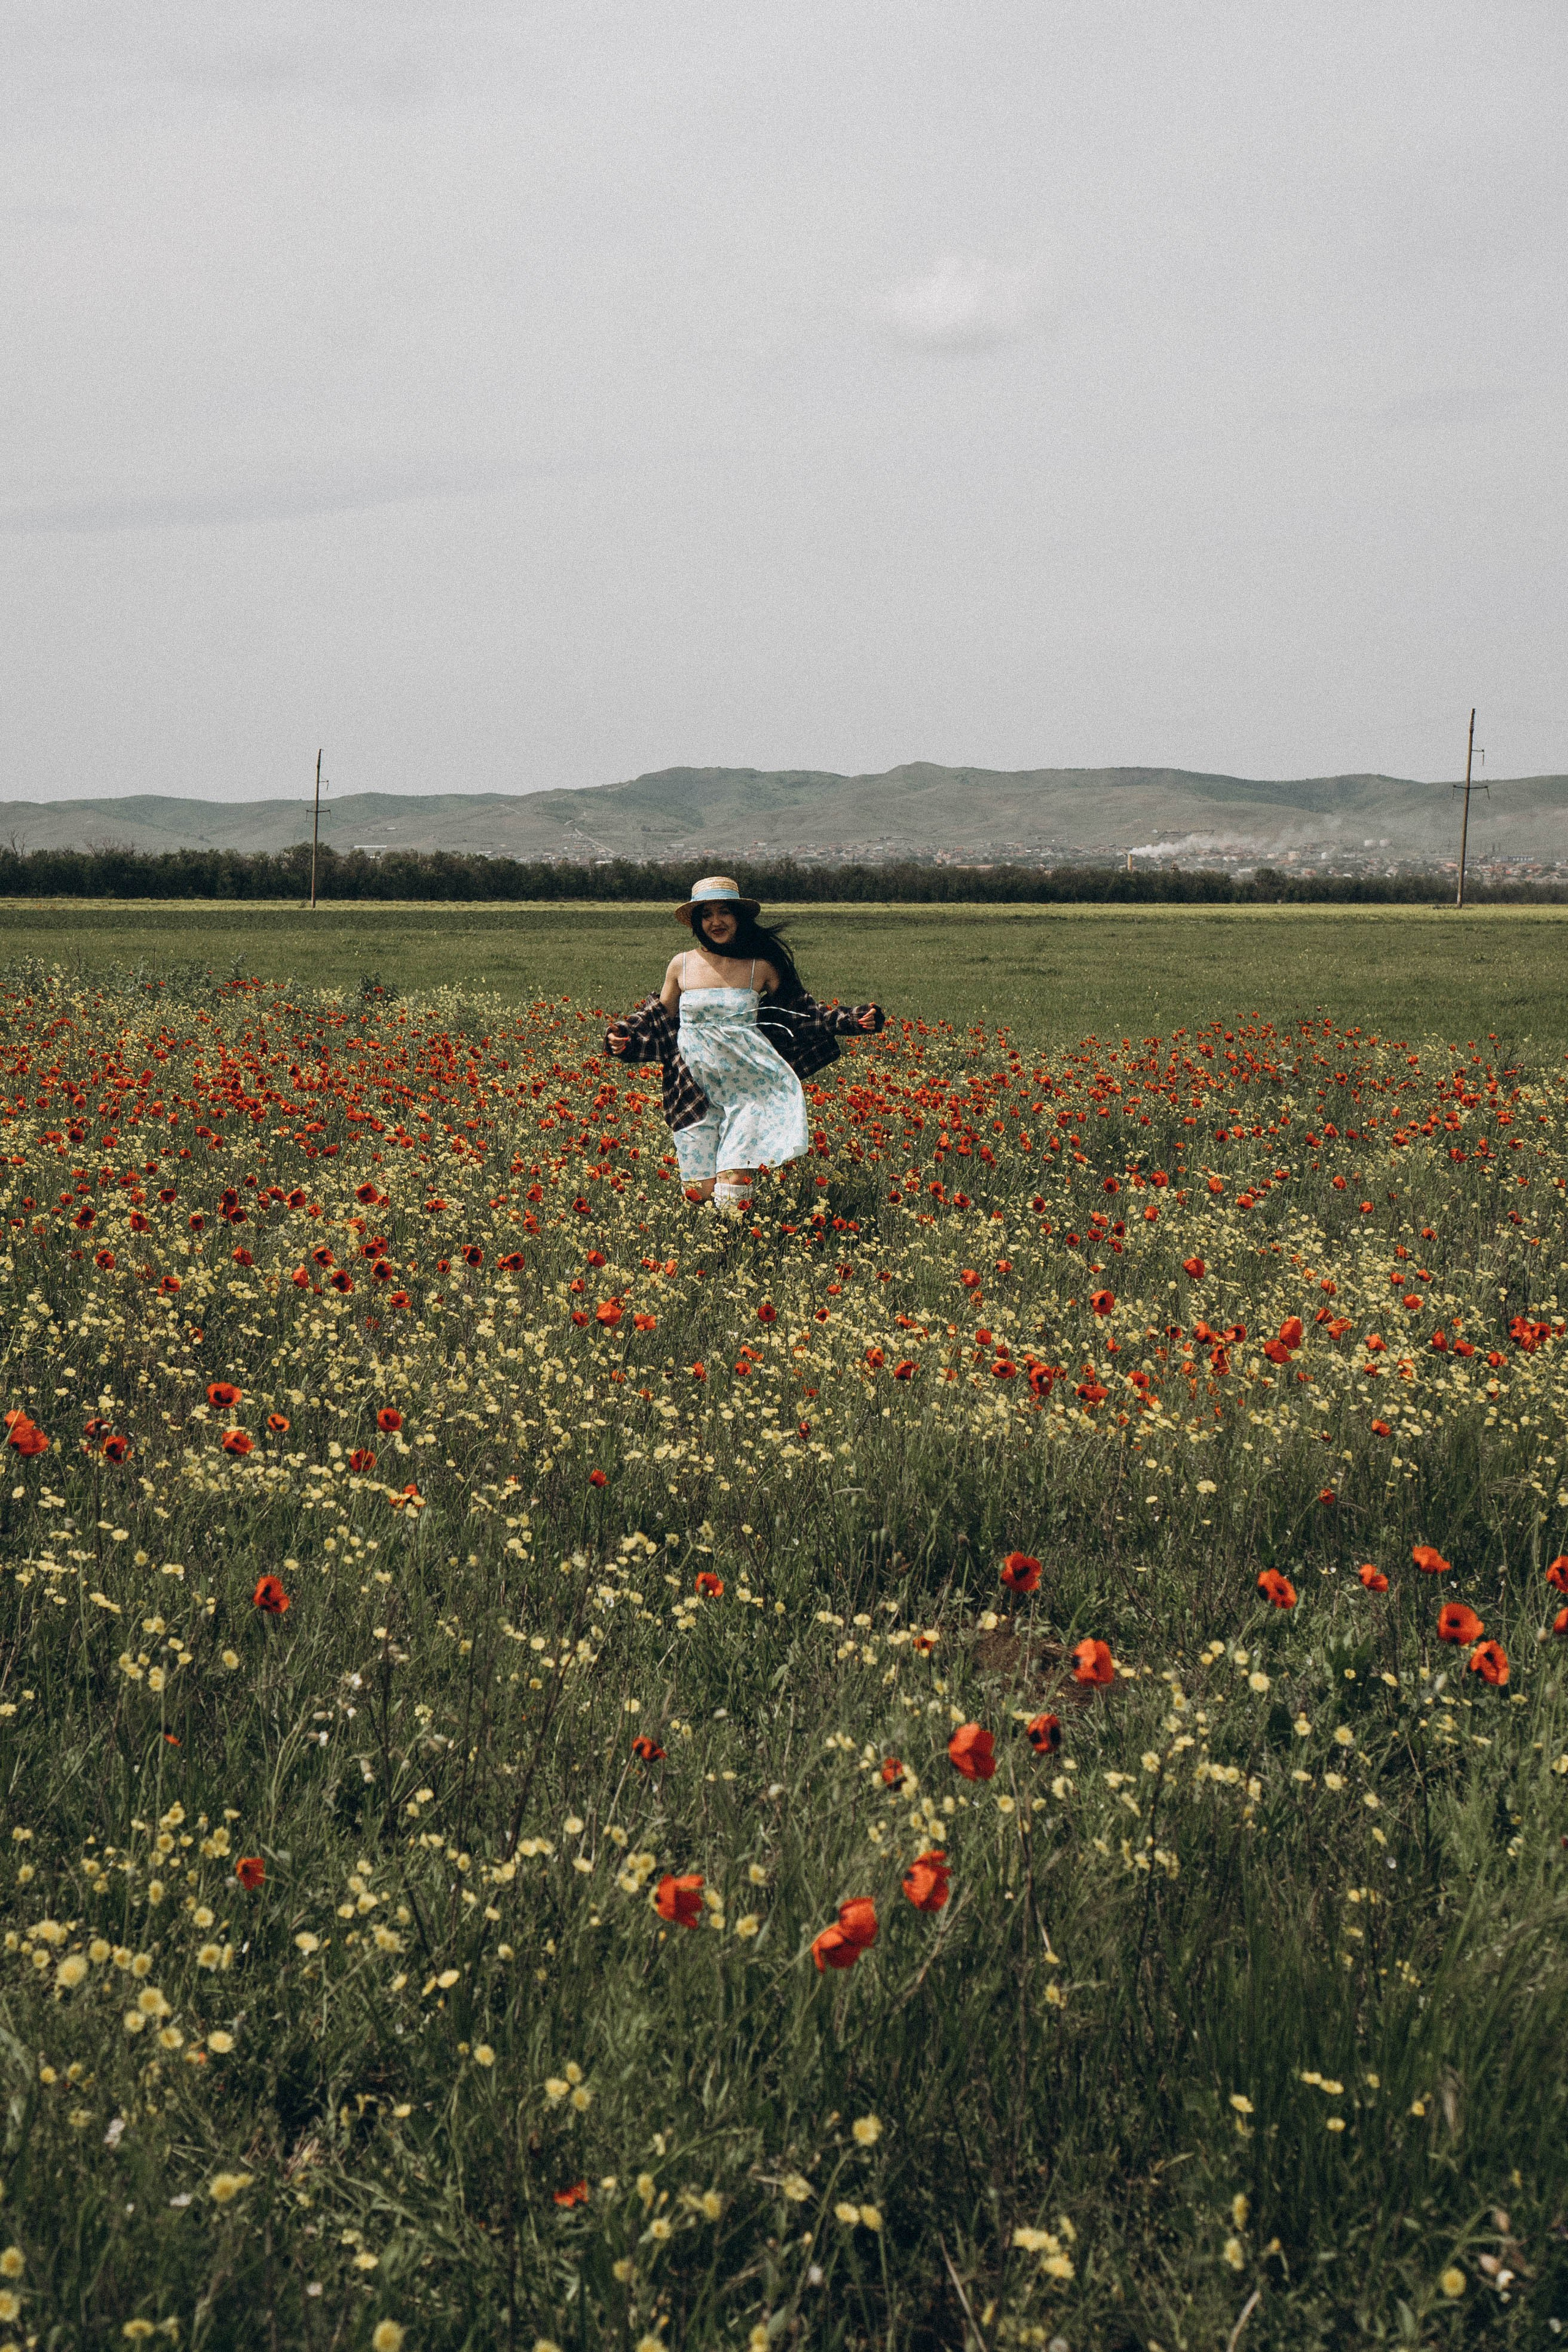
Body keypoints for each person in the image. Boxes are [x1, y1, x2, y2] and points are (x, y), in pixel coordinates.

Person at [606, 876, 883, 1214]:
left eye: (724, 912)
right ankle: (710, 1256)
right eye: (706, 914)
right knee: (699, 1194)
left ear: (739, 917)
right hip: (691, 1087)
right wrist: (623, 1033)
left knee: (732, 1186)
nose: (715, 922)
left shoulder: (761, 967)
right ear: (697, 922)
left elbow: (802, 1013)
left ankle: (736, 1247)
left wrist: (852, 1020)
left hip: (750, 1089)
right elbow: (658, 1013)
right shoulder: (682, 964)